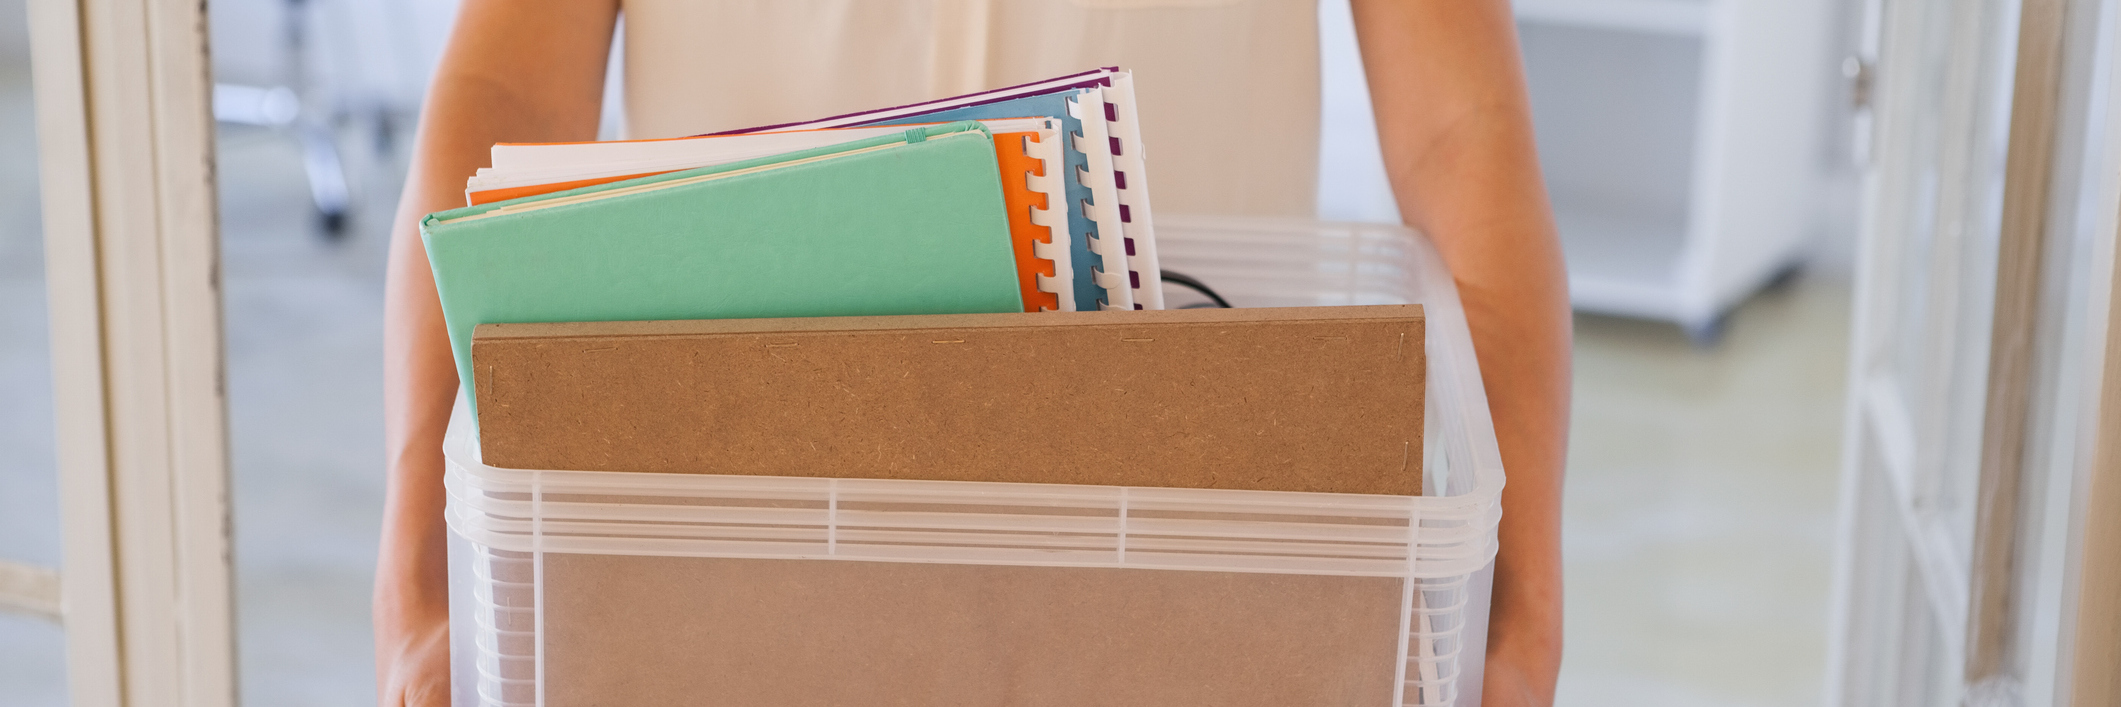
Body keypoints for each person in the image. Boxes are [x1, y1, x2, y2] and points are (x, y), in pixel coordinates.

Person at [376, 1, 1570, 704]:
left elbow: (1461, 119)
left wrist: (1516, 546)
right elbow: (511, 74)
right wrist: (417, 523)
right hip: (718, 503)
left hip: (1189, 495)